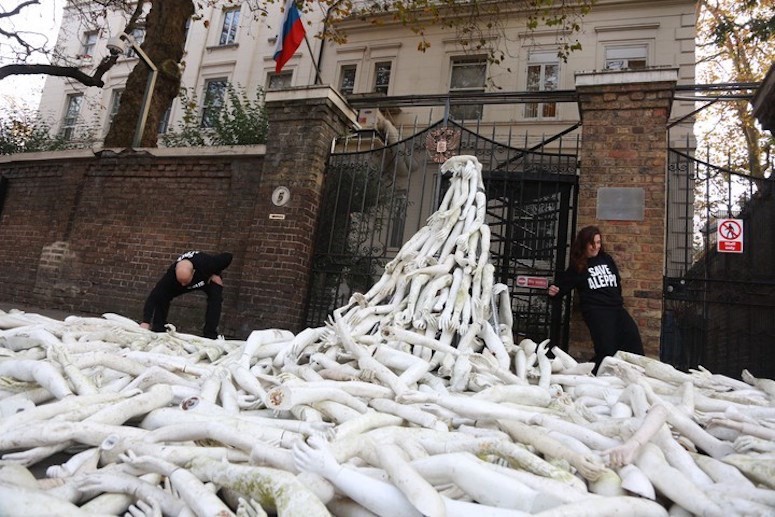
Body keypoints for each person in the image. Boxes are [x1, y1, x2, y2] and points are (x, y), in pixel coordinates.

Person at [547, 226, 643, 372]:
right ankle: (592, 375)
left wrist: (616, 298)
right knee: (607, 349)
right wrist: (554, 291)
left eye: (598, 243)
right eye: (592, 244)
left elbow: (616, 281)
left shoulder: (606, 259)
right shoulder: (578, 266)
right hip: (596, 311)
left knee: (632, 339)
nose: (596, 247)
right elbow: (560, 288)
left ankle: (633, 374)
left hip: (616, 308)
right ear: (583, 244)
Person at [140, 250, 233, 339]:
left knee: (216, 296)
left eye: (185, 281)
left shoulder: (208, 264)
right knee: (163, 295)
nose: (183, 284)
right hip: (178, 284)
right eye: (181, 281)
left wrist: (215, 274)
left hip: (206, 281)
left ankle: (210, 334)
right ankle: (159, 328)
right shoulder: (170, 276)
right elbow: (153, 296)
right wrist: (146, 321)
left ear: (193, 272)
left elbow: (228, 256)